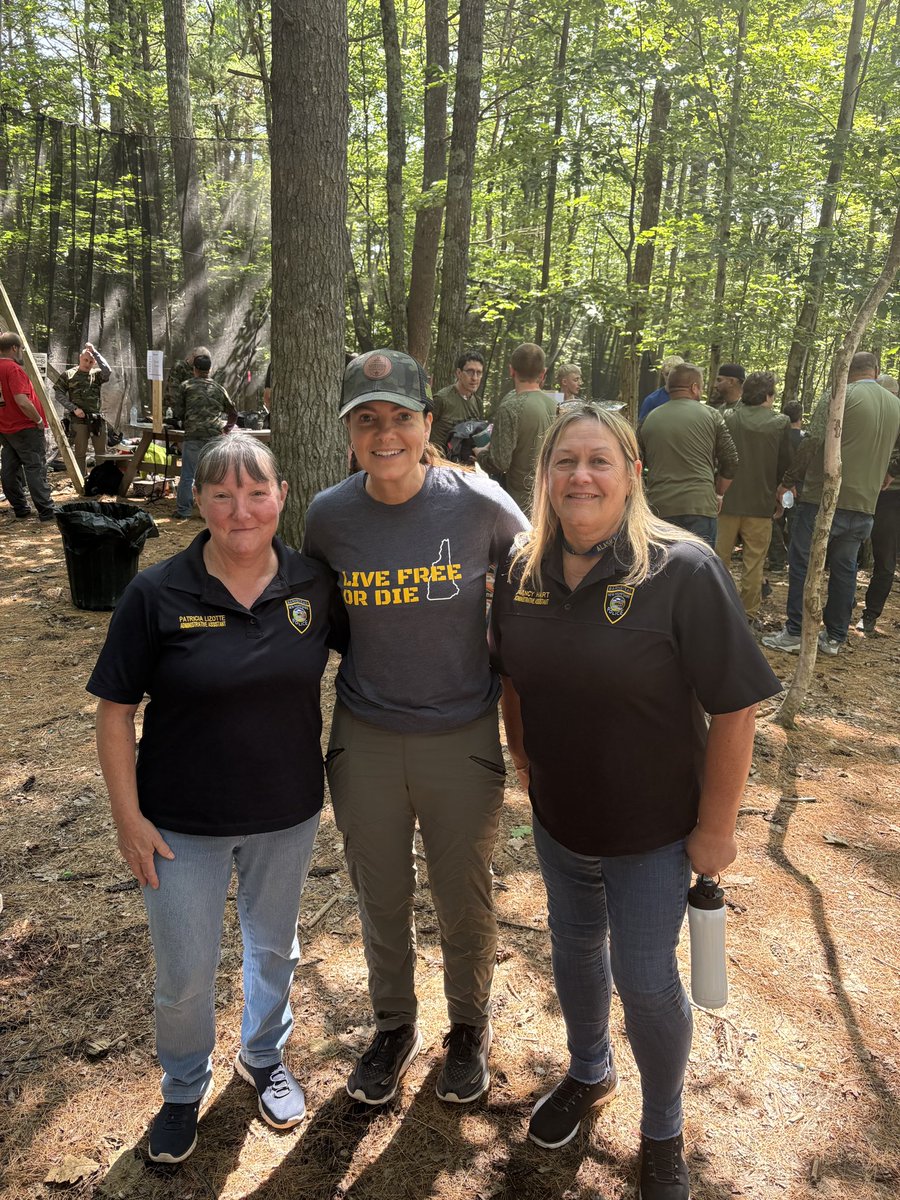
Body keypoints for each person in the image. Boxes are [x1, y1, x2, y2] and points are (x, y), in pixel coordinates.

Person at [489, 405, 780, 1200]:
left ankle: (664, 1128)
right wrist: (523, 757)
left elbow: (735, 706)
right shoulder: (522, 567)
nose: (580, 476)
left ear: (631, 473)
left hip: (654, 830)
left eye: (598, 461)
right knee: (574, 949)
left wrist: (717, 828)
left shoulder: (681, 569)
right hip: (560, 820)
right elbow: (511, 674)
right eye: (564, 462)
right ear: (544, 477)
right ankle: (588, 1073)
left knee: (646, 978)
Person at [88, 434, 338, 1164]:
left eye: (256, 492)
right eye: (221, 494)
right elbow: (113, 710)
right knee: (187, 972)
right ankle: (182, 1086)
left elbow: (381, 654)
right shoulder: (157, 591)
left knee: (273, 952)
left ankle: (262, 1057)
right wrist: (128, 819)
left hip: (286, 814)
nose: (240, 510)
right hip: (178, 825)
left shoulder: (314, 585)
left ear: (282, 496)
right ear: (196, 500)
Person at [303, 349, 527, 1109]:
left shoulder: (477, 502)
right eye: (367, 420)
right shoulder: (328, 515)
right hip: (365, 732)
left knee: (464, 894)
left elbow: (538, 578)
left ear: (428, 424)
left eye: (401, 416)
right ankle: (394, 1024)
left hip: (462, 731)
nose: (385, 432)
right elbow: (317, 618)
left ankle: (469, 1027)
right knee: (381, 892)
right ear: (349, 434)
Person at [763, 352, 900, 656]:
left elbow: (811, 441)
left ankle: (796, 631)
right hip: (865, 503)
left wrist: (787, 481)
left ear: (846, 370)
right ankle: (835, 637)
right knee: (845, 569)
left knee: (802, 564)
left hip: (823, 498)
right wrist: (890, 471)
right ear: (875, 371)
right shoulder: (895, 404)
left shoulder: (840, 393)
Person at [716, 371, 793, 623]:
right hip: (761, 503)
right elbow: (785, 465)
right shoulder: (780, 423)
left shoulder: (727, 416)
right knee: (754, 562)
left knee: (718, 560)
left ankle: (718, 607)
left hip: (724, 501)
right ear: (769, 396)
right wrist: (781, 494)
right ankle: (747, 614)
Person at [637, 362, 739, 549]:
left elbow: (634, 463)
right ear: (694, 387)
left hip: (660, 506)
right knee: (699, 569)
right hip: (700, 505)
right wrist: (719, 493)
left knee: (662, 568)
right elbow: (731, 459)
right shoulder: (712, 415)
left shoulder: (648, 420)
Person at [477, 342, 556, 513]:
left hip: (517, 504)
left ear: (511, 370)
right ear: (543, 373)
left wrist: (480, 453)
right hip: (548, 500)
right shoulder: (554, 405)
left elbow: (499, 463)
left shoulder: (510, 408)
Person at [857, 374, 900, 635]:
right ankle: (869, 616)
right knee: (883, 559)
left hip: (891, 494)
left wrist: (893, 469)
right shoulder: (871, 417)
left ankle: (870, 615)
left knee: (885, 561)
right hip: (877, 496)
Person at [171, 353, 237, 518]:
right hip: (214, 437)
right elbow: (233, 412)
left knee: (187, 475)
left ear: (194, 369)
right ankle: (212, 512)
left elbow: (178, 411)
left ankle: (184, 511)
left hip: (193, 436)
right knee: (213, 476)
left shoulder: (186, 386)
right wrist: (227, 429)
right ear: (210, 369)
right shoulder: (218, 388)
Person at [0, 331, 56, 522]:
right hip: (25, 427)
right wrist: (39, 420)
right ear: (14, 348)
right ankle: (46, 511)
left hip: (6, 430)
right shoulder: (13, 369)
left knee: (9, 469)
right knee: (35, 468)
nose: (22, 353)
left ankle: (20, 508)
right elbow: (22, 400)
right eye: (21, 349)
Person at [54, 342, 111, 475]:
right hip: (78, 419)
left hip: (96, 419)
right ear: (80, 358)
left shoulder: (96, 375)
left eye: (91, 362)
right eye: (85, 360)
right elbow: (58, 394)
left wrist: (95, 352)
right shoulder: (68, 375)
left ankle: (100, 479)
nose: (87, 363)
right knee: (80, 453)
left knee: (101, 453)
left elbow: (108, 371)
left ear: (94, 363)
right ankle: (81, 481)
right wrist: (73, 408)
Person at [429, 350, 485, 453]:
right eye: (470, 372)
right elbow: (422, 428)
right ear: (459, 373)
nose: (475, 378)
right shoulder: (442, 400)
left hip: (463, 464)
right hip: (437, 462)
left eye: (479, 373)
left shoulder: (478, 403)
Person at [637, 354, 685, 422]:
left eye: (675, 374)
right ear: (662, 374)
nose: (670, 378)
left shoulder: (690, 399)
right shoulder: (652, 400)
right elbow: (641, 428)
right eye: (667, 374)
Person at [166, 345, 211, 411]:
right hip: (173, 408)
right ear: (193, 356)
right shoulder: (180, 366)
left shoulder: (200, 370)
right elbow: (173, 391)